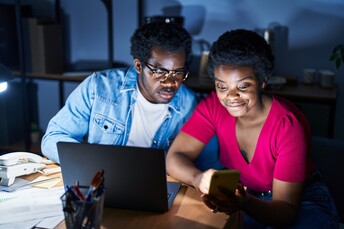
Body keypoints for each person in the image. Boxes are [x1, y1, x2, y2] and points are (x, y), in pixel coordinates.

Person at [166, 29, 339, 229]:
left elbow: (285, 212)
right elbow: (175, 158)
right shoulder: (213, 106)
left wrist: (244, 202)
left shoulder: (288, 125)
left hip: (302, 205)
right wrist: (197, 177)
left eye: (243, 86)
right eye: (222, 86)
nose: (231, 96)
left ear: (263, 81)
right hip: (247, 199)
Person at [41, 21, 219, 165]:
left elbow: (208, 163)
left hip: (159, 190)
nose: (171, 82)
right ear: (138, 66)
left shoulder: (189, 104)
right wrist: (95, 163)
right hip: (101, 183)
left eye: (178, 72)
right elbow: (53, 139)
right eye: (160, 72)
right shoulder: (99, 88)